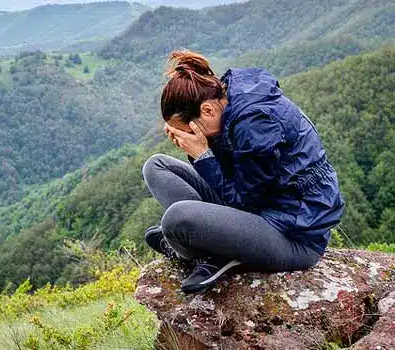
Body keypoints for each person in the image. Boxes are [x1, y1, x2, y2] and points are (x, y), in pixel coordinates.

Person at [142, 50, 345, 294]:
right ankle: (211, 246)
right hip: (258, 207)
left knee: (176, 219)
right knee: (156, 166)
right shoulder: (226, 99)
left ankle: (210, 252)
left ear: (207, 111)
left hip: (292, 234)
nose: (188, 135)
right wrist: (201, 148)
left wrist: (203, 155)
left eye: (189, 128)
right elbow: (236, 173)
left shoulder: (257, 127)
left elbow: (246, 202)